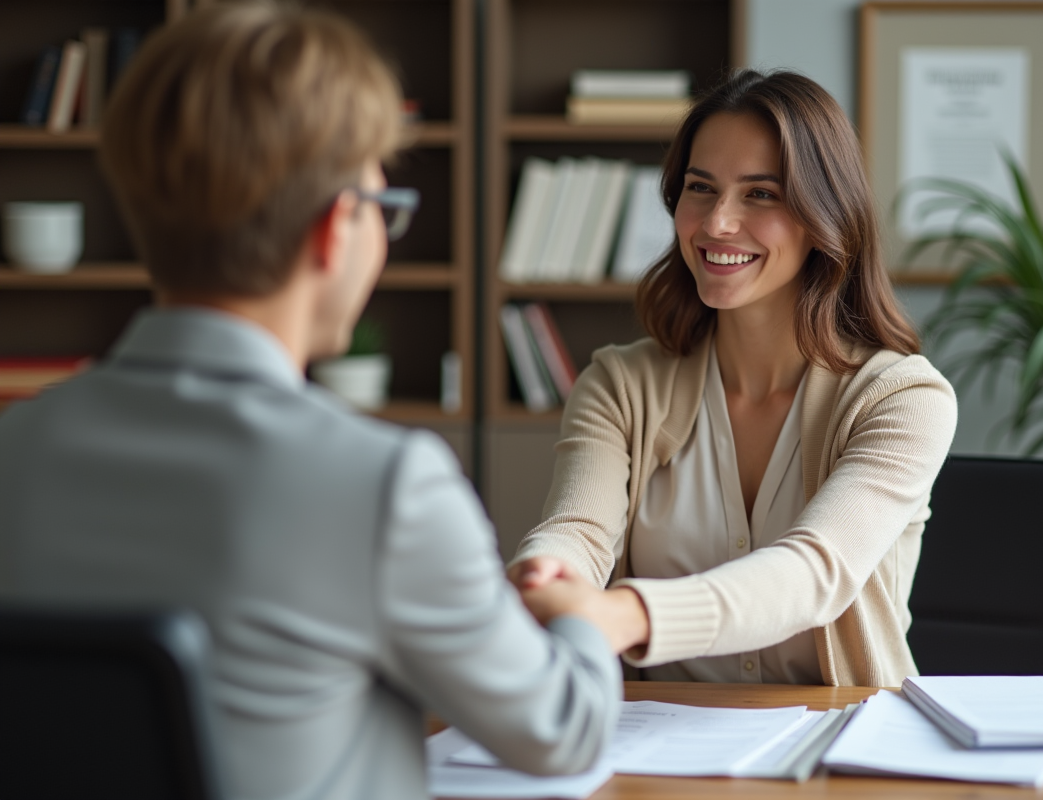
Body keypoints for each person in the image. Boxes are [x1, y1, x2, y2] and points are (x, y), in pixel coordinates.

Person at [0, 5, 638, 798]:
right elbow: (563, 731)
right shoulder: (386, 485)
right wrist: (587, 616)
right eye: (383, 207)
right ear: (337, 227)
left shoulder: (16, 447)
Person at [510, 69, 958, 688]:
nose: (717, 222)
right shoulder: (619, 384)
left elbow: (813, 574)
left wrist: (627, 614)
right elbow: (579, 530)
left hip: (838, 752)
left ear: (824, 216)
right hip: (656, 756)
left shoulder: (904, 399)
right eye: (701, 188)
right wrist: (544, 575)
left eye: (761, 194)